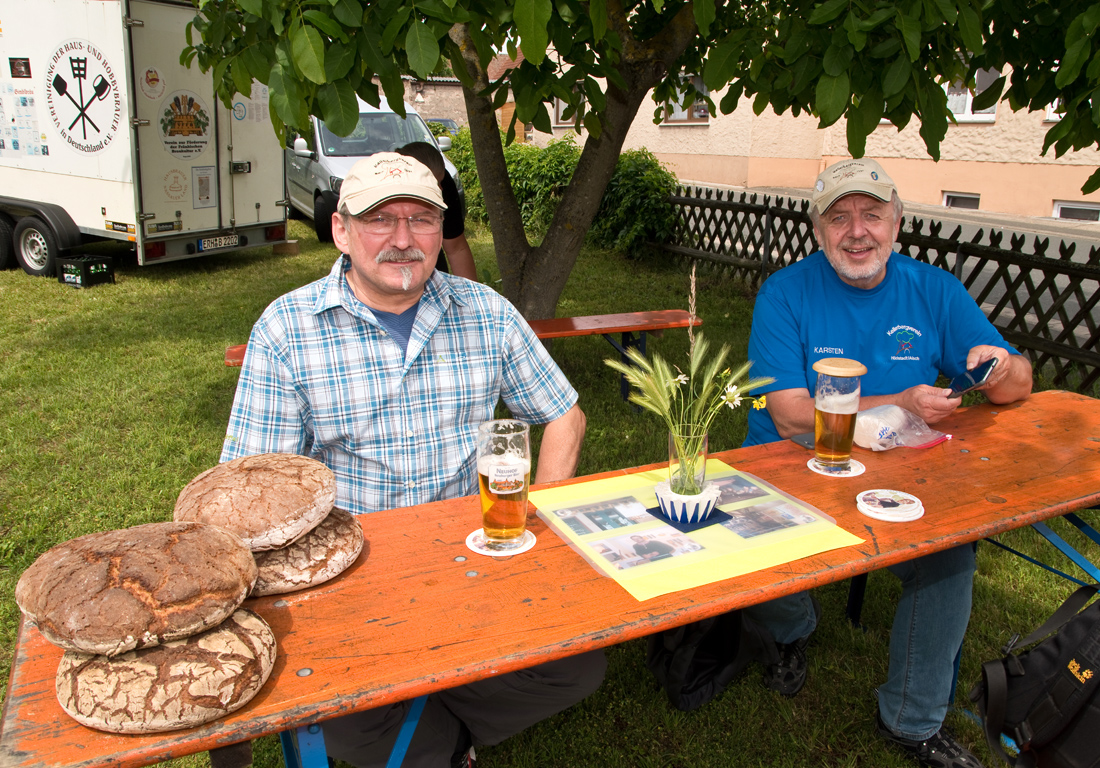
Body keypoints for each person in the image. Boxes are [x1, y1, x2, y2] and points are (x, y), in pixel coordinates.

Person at [221, 152, 604, 768]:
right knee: (341, 721)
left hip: (474, 560)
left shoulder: (486, 312)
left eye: (422, 219)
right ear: (341, 232)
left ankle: (427, 701)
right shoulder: (286, 331)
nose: (403, 240)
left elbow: (566, 414)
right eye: (381, 220)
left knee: (578, 667)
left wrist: (536, 523)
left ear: (443, 231)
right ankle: (445, 736)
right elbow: (244, 493)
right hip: (354, 581)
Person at [742, 158, 1032, 768]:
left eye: (872, 215)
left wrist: (1001, 368)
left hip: (902, 468)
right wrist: (899, 401)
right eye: (839, 217)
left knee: (950, 558)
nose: (857, 231)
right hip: (793, 465)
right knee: (756, 547)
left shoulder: (934, 290)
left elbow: (1016, 384)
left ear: (896, 223)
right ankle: (793, 628)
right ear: (817, 229)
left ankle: (910, 719)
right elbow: (793, 414)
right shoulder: (785, 293)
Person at [396, 141, 478, 281]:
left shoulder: (443, 184)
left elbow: (456, 248)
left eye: (440, 182)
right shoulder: (385, 193)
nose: (440, 190)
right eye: (434, 184)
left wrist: (471, 299)